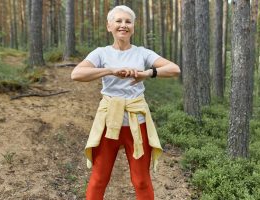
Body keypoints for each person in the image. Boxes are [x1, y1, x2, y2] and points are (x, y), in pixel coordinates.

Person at [71, 5, 180, 200]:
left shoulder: (142, 53)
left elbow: (174, 69)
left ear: (133, 27)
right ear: (109, 26)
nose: (123, 25)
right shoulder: (101, 53)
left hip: (136, 121)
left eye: (128, 21)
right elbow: (76, 74)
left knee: (141, 180)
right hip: (108, 122)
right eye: (118, 21)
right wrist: (110, 70)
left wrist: (147, 73)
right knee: (99, 178)